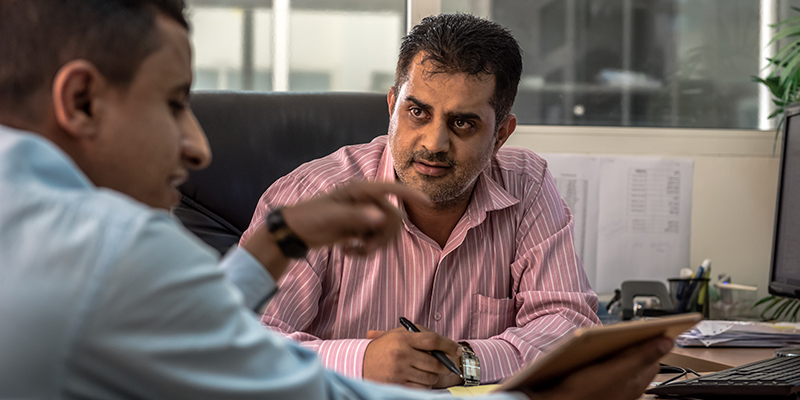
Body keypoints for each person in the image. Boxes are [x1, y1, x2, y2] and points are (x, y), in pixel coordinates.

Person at [0, 1, 671, 399]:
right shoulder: (114, 245)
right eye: (175, 103)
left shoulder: (28, 206)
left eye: (465, 122)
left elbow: (191, 325)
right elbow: (259, 369)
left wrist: (275, 244)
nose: (199, 147)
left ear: (501, 134)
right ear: (81, 100)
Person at [241, 13, 601, 388]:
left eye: (462, 123)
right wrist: (361, 362)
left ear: (500, 136)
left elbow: (569, 323)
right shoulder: (310, 197)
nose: (434, 143)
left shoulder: (526, 184)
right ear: (392, 106)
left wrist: (464, 361)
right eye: (417, 113)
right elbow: (241, 343)